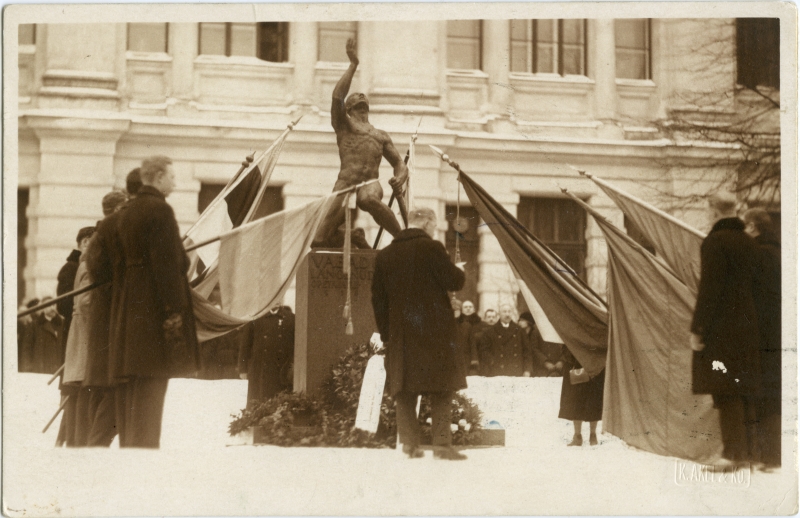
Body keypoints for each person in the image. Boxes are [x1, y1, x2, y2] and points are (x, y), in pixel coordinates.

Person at [111, 155, 200, 448]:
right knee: (152, 389)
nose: (174, 183)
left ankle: (131, 448)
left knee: (133, 390)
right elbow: (168, 265)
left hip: (129, 309)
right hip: (153, 312)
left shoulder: (126, 211)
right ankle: (144, 457)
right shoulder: (160, 211)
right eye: (172, 177)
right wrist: (174, 310)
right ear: (159, 177)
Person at [372, 207, 467, 460]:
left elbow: (378, 301)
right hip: (435, 332)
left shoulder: (385, 255)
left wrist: (387, 335)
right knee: (442, 389)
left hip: (402, 334)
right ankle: (442, 447)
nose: (434, 230)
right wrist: (458, 268)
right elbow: (455, 282)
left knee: (404, 390)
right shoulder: (432, 248)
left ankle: (410, 445)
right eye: (434, 226)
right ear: (426, 224)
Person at [313, 38, 408, 248]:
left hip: (369, 183)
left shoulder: (380, 135)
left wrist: (400, 178)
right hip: (345, 182)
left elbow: (399, 164)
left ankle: (403, 238)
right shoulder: (343, 126)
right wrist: (353, 65)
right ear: (349, 109)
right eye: (357, 100)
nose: (362, 100)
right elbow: (337, 96)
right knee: (318, 240)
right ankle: (355, 237)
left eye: (364, 101)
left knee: (367, 199)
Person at [691, 193, 762, 467]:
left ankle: (731, 455)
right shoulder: (749, 242)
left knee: (725, 390)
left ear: (713, 211)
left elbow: (709, 289)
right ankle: (746, 455)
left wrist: (698, 328)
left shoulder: (715, 242)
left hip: (721, 329)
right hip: (748, 325)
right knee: (742, 389)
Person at [84, 190, 135, 447]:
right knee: (111, 401)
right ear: (117, 210)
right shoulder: (109, 237)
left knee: (105, 398)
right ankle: (94, 454)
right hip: (109, 331)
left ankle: (95, 451)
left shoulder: (101, 237)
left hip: (104, 332)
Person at [743, 208, 781, 469]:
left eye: (745, 226)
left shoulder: (757, 254)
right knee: (773, 393)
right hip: (778, 333)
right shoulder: (779, 253)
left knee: (763, 394)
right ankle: (770, 455)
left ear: (754, 227)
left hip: (761, 333)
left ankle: (767, 456)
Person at [238, 306, 295, 408]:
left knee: (279, 402)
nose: (277, 300)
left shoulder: (290, 318)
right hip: (260, 368)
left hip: (281, 368)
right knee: (258, 400)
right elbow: (245, 344)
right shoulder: (256, 317)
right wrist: (243, 368)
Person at [559, 349, 605, 446]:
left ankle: (588, 435)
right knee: (578, 398)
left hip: (591, 362)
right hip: (582, 362)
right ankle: (582, 436)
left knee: (592, 398)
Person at [477, 304, 532, 377]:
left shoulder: (519, 330)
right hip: (497, 371)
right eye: (504, 312)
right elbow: (484, 351)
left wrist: (527, 370)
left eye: (509, 312)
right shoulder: (490, 332)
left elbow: (527, 351)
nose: (507, 314)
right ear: (499, 314)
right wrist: (492, 361)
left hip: (516, 371)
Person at [520, 312, 565, 377]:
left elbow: (566, 348)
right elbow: (534, 349)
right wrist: (545, 362)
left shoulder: (560, 331)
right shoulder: (536, 332)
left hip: (560, 369)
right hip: (542, 369)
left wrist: (561, 361)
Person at [30, 297, 63, 375]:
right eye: (49, 305)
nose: (52, 308)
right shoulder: (34, 325)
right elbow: (27, 348)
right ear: (42, 308)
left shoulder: (62, 324)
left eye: (54, 305)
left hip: (58, 369)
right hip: (41, 369)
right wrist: (29, 368)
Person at [469, 308, 497, 375]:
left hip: (497, 363)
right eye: (489, 317)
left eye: (493, 317)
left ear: (496, 318)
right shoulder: (479, 331)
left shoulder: (500, 331)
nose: (491, 319)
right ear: (485, 318)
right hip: (483, 364)